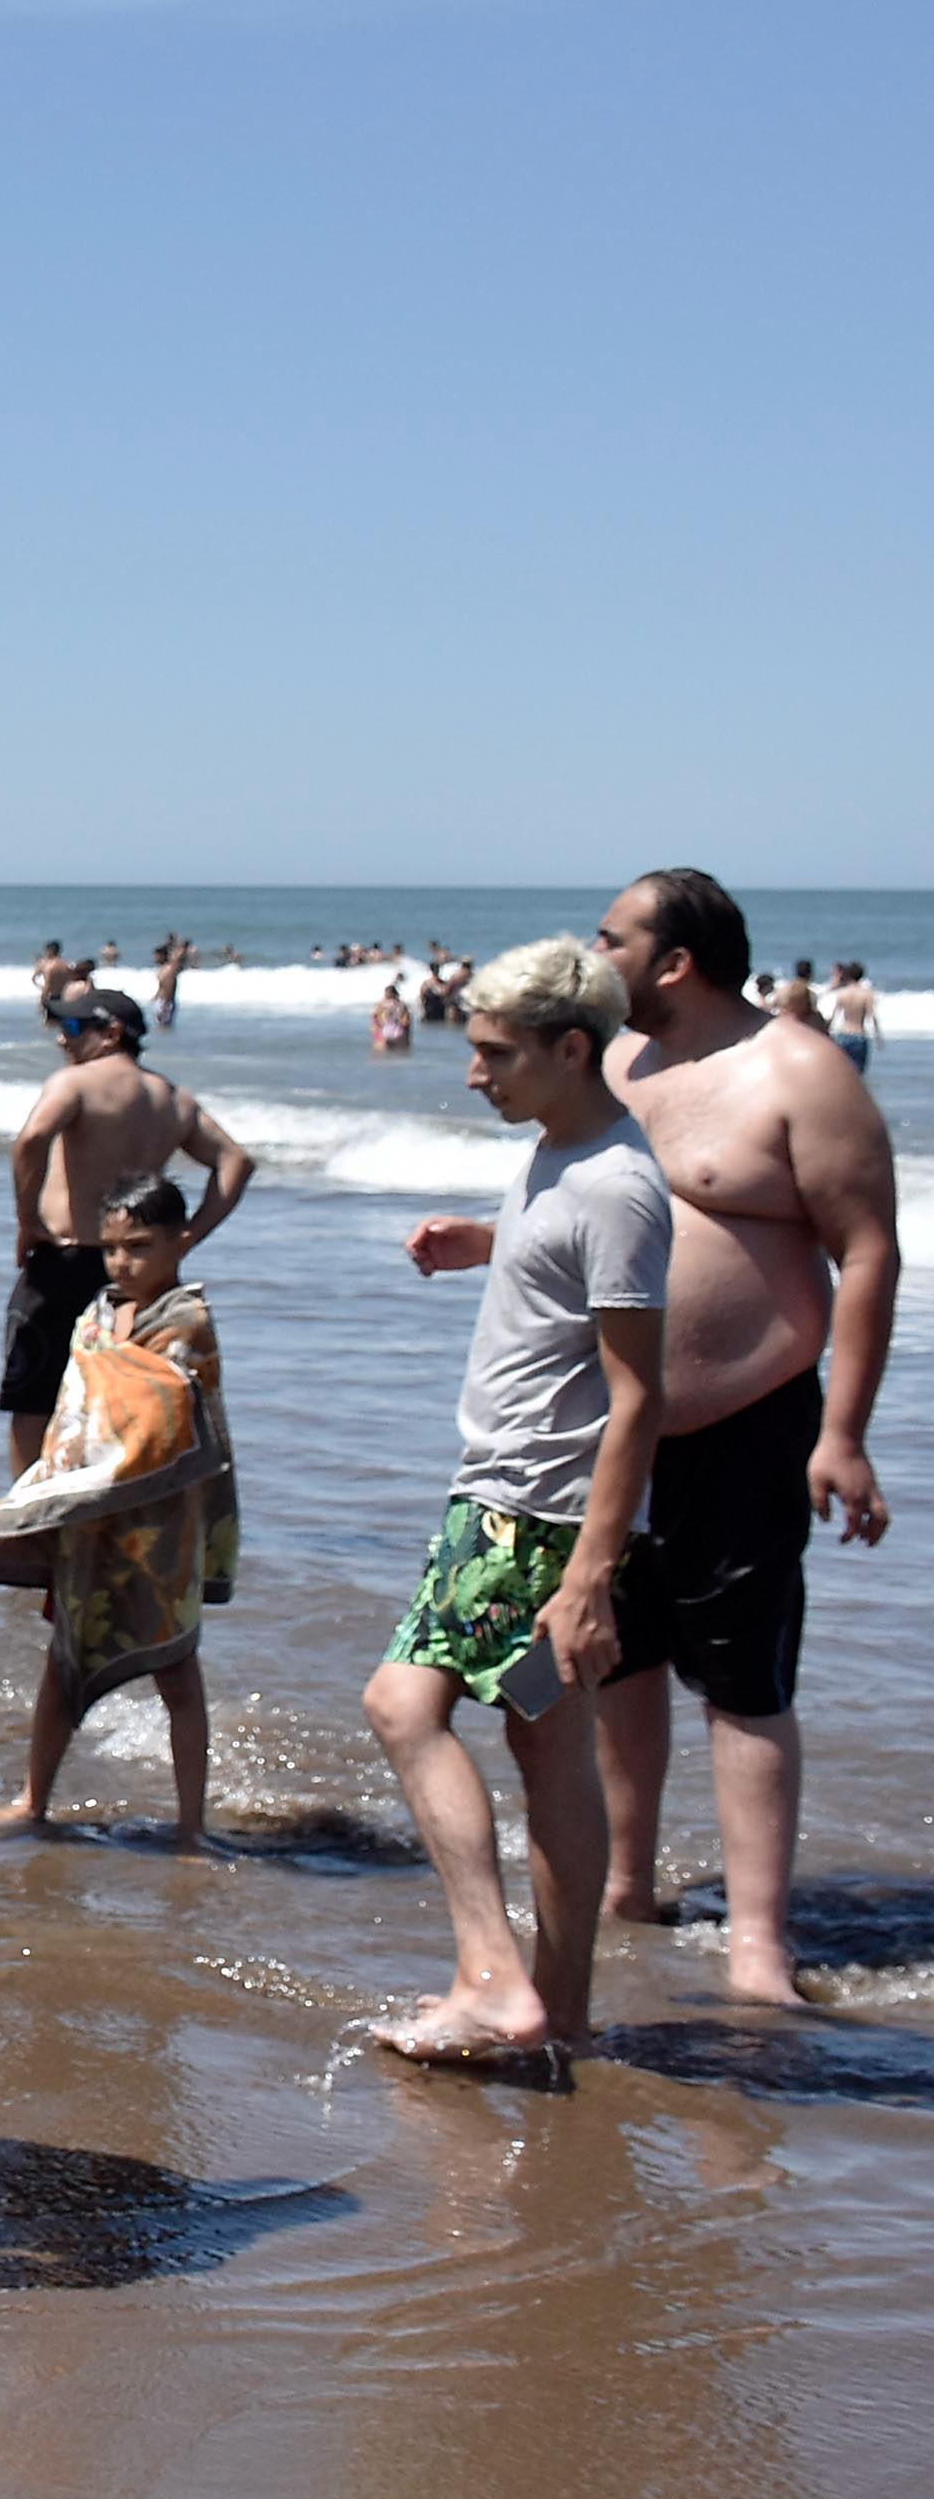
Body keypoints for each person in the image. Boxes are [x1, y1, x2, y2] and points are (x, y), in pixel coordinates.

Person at [592, 870, 900, 2007]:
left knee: (741, 1678)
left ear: (672, 961)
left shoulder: (798, 1074)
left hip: (748, 1417)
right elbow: (594, 1212)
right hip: (612, 1423)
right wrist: (486, 1241)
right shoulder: (619, 1064)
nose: (594, 954)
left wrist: (843, 1434)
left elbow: (866, 1253)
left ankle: (758, 1944)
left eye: (609, 937)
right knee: (612, 1655)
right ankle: (626, 1884)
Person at [368, 938, 669, 2062]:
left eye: (493, 1053)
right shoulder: (557, 1149)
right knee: (547, 1743)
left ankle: (488, 1978)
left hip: (523, 1514)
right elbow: (568, 1264)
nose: (471, 1073)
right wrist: (487, 1248)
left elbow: (639, 1394)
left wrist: (589, 1575)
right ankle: (565, 2016)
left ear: (569, 1048)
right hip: (521, 1506)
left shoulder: (615, 1184)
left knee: (400, 1708)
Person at [0, 1178, 240, 1844]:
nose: (122, 1263)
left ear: (182, 1241)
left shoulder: (187, 1322)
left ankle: (191, 1826)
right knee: (64, 1660)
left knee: (177, 1669)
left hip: (161, 1523)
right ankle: (33, 1800)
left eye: (140, 1247)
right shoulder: (94, 1316)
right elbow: (76, 1410)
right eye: (112, 1248)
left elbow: (166, 1418)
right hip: (92, 1518)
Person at [2, 991, 254, 1471]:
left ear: (112, 1033)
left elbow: (33, 1137)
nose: (61, 1038)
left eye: (74, 1030)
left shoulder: (75, 1083)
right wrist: (185, 1238)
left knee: (34, 1398)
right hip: (144, 1272)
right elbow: (236, 1161)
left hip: (66, 1260)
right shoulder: (173, 1098)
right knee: (123, 1398)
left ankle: (28, 1512)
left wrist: (27, 1220)